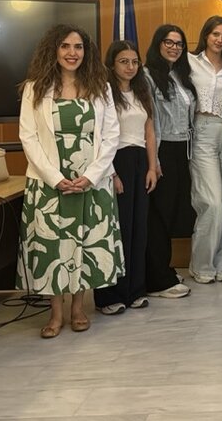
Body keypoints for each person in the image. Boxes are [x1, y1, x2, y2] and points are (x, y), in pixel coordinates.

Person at [17, 25, 123, 339]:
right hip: (49, 183)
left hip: (91, 181)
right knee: (53, 249)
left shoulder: (101, 87)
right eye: (65, 46)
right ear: (53, 50)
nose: (72, 53)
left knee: (85, 245)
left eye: (78, 47)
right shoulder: (35, 88)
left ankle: (78, 309)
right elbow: (28, 137)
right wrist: (56, 178)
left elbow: (111, 136)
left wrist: (91, 176)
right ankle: (55, 314)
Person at [95, 41, 158, 316]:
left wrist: (152, 167)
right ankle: (109, 295)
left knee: (139, 229)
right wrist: (111, 172)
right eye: (124, 61)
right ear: (112, 64)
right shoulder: (103, 93)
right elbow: (100, 136)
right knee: (117, 230)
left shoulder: (142, 91)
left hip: (140, 160)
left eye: (134, 61)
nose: (130, 67)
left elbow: (150, 131)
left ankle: (135, 290)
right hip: (115, 161)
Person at [143, 25, 196, 299]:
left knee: (172, 213)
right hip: (161, 150)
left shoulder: (180, 75)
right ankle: (157, 280)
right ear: (158, 44)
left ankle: (164, 269)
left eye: (179, 43)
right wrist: (154, 161)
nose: (174, 47)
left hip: (181, 150)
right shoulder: (147, 76)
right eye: (169, 42)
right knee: (159, 216)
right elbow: (150, 121)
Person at [187, 16, 222, 284]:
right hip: (203, 132)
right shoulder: (191, 62)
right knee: (212, 202)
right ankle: (202, 265)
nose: (220, 40)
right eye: (215, 34)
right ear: (206, 35)